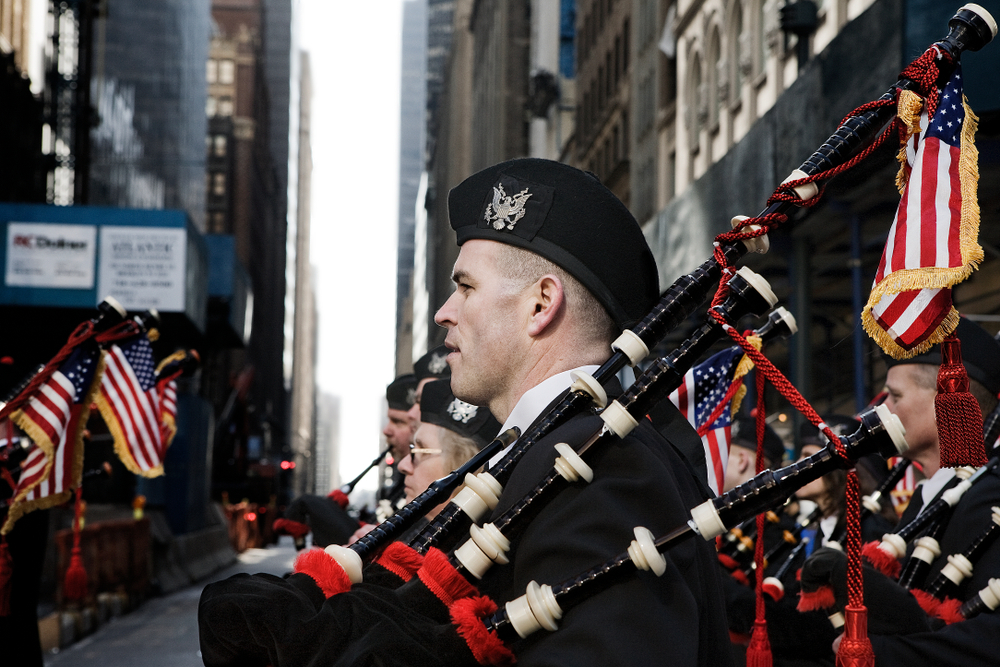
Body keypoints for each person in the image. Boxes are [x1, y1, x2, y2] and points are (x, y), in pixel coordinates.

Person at [433, 158, 731, 666]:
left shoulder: (599, 465)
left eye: (466, 287)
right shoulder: (563, 451)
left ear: (541, 304)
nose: (445, 311)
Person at [860, 317, 1000, 666]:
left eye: (895, 396)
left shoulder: (989, 497)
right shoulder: (927, 498)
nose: (882, 411)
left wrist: (881, 653)